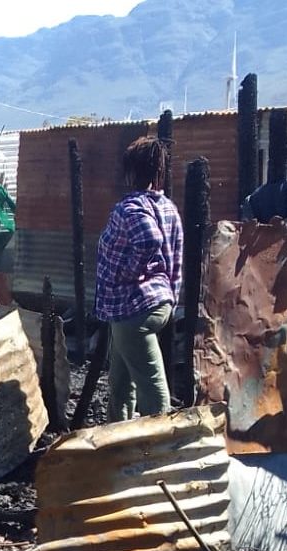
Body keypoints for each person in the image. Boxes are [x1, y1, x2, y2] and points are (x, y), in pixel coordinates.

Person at [95, 136, 183, 423]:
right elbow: (175, 259)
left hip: (133, 307)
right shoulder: (168, 207)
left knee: (153, 394)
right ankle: (116, 440)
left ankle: (158, 452)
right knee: (120, 383)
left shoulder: (129, 208)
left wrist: (129, 274)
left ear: (130, 172)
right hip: (156, 304)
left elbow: (149, 240)